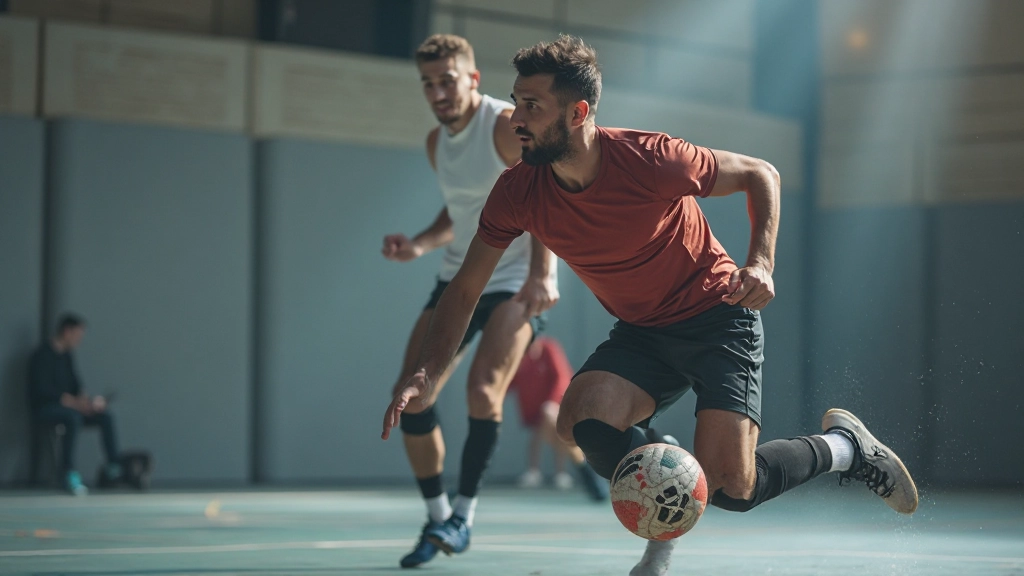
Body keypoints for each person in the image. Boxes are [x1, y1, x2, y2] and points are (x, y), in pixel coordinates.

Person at [382, 35, 919, 576]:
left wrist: (760, 262)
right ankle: (667, 474)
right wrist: (426, 371)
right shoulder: (517, 190)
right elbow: (465, 288)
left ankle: (845, 448)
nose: (516, 118)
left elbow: (761, 173)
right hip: (642, 331)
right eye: (516, 101)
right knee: (581, 422)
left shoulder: (650, 158)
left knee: (733, 489)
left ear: (578, 113)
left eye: (532, 106)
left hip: (718, 318)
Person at [381, 34, 559, 569]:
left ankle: (463, 515)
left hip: (514, 281)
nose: (438, 93)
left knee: (483, 391)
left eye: (448, 80)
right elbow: (459, 212)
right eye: (428, 84)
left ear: (473, 79)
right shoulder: (437, 143)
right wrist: (418, 244)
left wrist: (543, 272)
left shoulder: (503, 125)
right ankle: (439, 519)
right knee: (411, 396)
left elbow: (545, 190)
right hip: (458, 278)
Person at [29, 314, 121, 496]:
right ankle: (68, 472)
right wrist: (74, 404)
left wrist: (88, 402)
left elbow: (76, 385)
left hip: (72, 409)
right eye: (78, 335)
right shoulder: (42, 355)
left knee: (105, 417)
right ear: (67, 331)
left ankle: (114, 468)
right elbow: (44, 391)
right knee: (73, 417)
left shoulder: (67, 356)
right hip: (47, 409)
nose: (79, 340)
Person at [508, 336, 608, 500]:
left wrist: (551, 402)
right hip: (536, 409)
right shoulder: (519, 357)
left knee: (558, 429)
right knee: (542, 433)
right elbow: (510, 381)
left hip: (556, 404)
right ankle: (537, 471)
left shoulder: (549, 349)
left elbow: (561, 376)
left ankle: (566, 472)